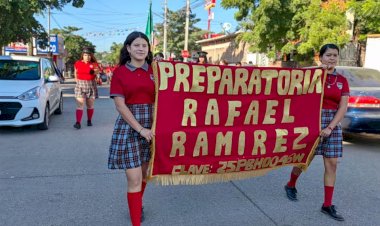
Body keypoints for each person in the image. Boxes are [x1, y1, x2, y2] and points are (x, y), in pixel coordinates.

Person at [284, 44, 349, 221]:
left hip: (333, 123)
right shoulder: (312, 76)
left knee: (332, 164)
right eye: (328, 55)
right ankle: (290, 184)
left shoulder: (342, 81)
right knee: (304, 159)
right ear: (320, 58)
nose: (332, 58)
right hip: (312, 120)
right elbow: (294, 80)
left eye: (335, 55)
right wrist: (317, 71)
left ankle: (327, 204)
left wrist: (330, 127)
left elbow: (343, 107)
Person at [108, 31, 155, 226]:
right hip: (130, 128)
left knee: (144, 174)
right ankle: (136, 222)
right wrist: (141, 129)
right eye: (136, 45)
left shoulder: (155, 71)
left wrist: (152, 128)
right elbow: (120, 105)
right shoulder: (119, 72)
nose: (141, 49)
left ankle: (138, 204)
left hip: (152, 126)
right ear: (128, 48)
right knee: (134, 179)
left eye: (144, 45)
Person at [73, 47, 99, 129]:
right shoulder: (77, 63)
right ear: (82, 56)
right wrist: (77, 81)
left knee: (90, 105)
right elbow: (75, 73)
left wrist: (94, 71)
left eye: (88, 55)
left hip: (91, 85)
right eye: (85, 55)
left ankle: (89, 120)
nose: (87, 57)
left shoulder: (94, 64)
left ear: (91, 56)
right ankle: (78, 123)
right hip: (80, 85)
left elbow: (97, 71)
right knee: (79, 104)